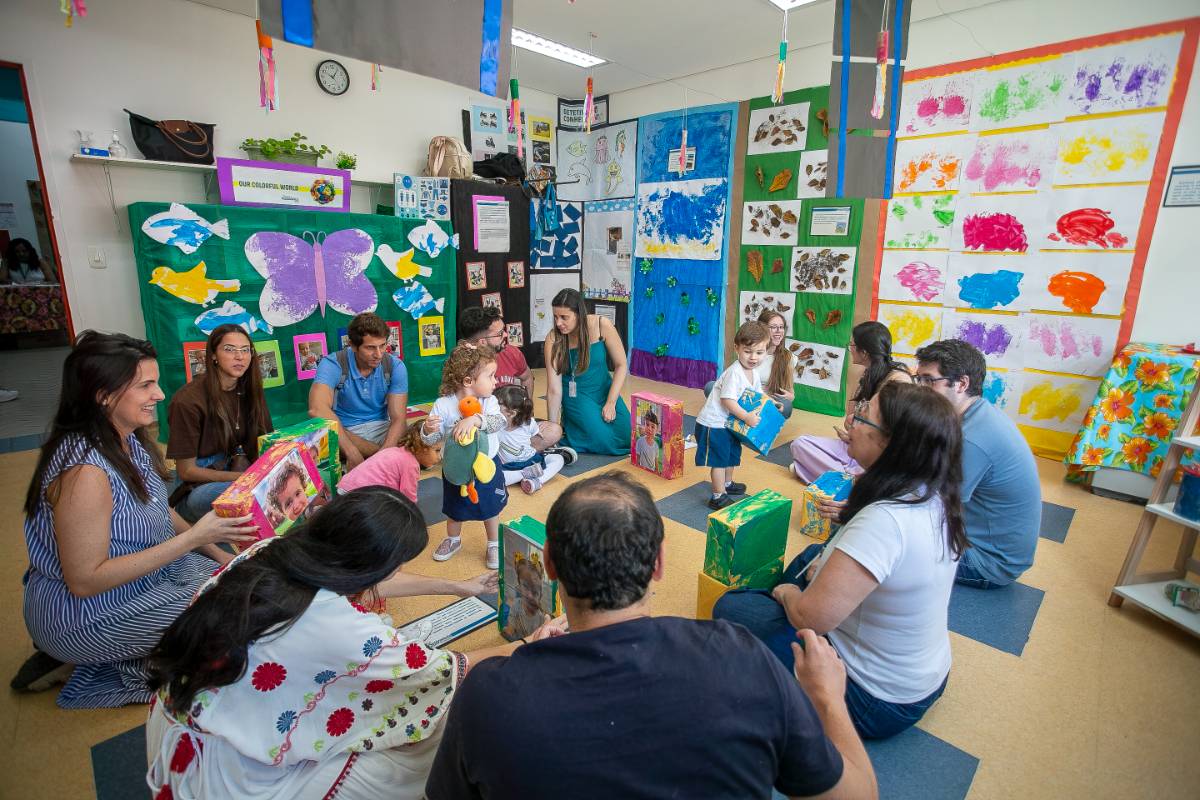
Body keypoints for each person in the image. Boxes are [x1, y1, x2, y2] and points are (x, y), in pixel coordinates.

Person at [425, 472, 878, 799]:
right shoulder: (742, 657)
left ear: (549, 567)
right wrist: (827, 699)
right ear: (660, 563)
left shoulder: (486, 694)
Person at [145, 488, 563, 800]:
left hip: (181, 712)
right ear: (369, 565)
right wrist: (529, 642)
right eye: (397, 562)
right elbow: (442, 671)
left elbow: (373, 581)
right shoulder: (339, 628)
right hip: (224, 774)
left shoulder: (275, 549)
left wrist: (456, 585)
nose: (398, 570)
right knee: (435, 731)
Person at [12, 331, 258, 707]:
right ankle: (90, 662)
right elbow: (85, 580)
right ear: (104, 395)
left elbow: (163, 510)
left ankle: (133, 649)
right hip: (89, 611)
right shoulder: (84, 471)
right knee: (234, 631)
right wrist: (194, 540)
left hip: (148, 578)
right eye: (146, 385)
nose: (159, 395)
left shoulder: (128, 438)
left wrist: (222, 556)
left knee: (249, 590)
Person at [715, 382, 967, 740]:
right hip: (925, 678)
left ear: (890, 443)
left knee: (732, 609)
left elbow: (810, 618)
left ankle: (772, 622)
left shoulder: (885, 521)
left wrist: (788, 593)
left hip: (876, 701)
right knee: (809, 556)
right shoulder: (934, 493)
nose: (851, 420)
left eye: (863, 417)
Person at [915, 339, 1042, 588]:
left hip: (987, 562)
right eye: (918, 379)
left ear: (961, 384)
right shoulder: (975, 415)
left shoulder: (972, 439)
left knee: (883, 540)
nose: (920, 389)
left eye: (929, 381)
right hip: (975, 539)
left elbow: (926, 504)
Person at [166, 324, 273, 523]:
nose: (239, 357)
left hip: (238, 466)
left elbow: (264, 443)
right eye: (229, 349)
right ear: (213, 355)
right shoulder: (187, 401)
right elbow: (186, 471)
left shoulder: (250, 389)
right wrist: (245, 478)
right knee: (220, 495)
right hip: (199, 485)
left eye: (245, 350)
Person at [789, 321, 911, 483]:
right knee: (800, 444)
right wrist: (852, 433)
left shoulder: (898, 380)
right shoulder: (865, 375)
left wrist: (857, 431)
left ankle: (846, 478)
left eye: (852, 345)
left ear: (864, 352)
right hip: (856, 444)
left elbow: (894, 433)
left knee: (865, 467)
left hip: (880, 453)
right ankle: (848, 478)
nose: (850, 349)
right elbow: (850, 419)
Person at [421, 343, 507, 568]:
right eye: (491, 376)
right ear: (469, 381)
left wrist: (476, 419)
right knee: (454, 508)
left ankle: (493, 544)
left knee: (490, 507)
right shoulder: (443, 404)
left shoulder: (488, 401)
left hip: (486, 467)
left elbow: (499, 422)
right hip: (456, 469)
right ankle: (453, 540)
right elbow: (431, 441)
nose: (495, 381)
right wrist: (428, 430)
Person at [458, 305, 573, 462]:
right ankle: (518, 456)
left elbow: (527, 378)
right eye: (499, 334)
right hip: (484, 429)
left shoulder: (511, 353)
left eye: (503, 329)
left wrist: (526, 409)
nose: (506, 334)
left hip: (513, 427)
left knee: (554, 430)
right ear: (483, 342)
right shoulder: (462, 364)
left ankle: (512, 456)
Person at [309, 312, 409, 470]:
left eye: (382, 345)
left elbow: (398, 418)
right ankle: (382, 459)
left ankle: (373, 459)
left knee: (418, 435)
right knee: (320, 435)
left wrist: (384, 453)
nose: (378, 354)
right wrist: (351, 451)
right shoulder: (333, 364)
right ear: (353, 345)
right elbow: (317, 409)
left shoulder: (394, 365)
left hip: (382, 429)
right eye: (370, 347)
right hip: (345, 432)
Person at [543, 288, 631, 455]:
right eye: (555, 317)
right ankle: (570, 430)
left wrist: (611, 402)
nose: (558, 323)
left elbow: (621, 365)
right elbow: (554, 389)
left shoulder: (601, 324)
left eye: (564, 317)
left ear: (579, 314)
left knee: (628, 436)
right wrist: (552, 430)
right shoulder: (553, 339)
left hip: (604, 390)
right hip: (577, 395)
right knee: (603, 439)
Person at [695, 321, 770, 510]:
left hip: (729, 423)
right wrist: (746, 417)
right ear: (737, 348)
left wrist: (771, 402)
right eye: (748, 351)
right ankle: (717, 495)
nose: (753, 357)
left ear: (766, 351)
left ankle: (728, 484)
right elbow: (727, 400)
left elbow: (758, 395)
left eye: (759, 353)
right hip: (714, 423)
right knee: (719, 460)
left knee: (731, 455)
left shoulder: (753, 371)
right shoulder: (735, 373)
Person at [495, 385, 565, 494]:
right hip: (509, 467)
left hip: (531, 460)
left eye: (497, 404)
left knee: (558, 459)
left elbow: (536, 431)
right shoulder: (496, 426)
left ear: (511, 413)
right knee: (494, 478)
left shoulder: (529, 423)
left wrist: (538, 432)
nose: (493, 406)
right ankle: (524, 475)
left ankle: (537, 481)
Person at [757, 309, 796, 418]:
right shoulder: (751, 352)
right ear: (762, 330)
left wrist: (791, 396)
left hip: (769, 402)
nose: (779, 331)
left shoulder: (788, 357)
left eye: (781, 327)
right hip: (748, 396)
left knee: (786, 406)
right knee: (711, 387)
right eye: (773, 327)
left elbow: (790, 390)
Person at [634, 407, 660, 472]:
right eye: (647, 425)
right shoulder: (640, 441)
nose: (649, 428)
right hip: (642, 471)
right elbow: (637, 458)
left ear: (657, 430)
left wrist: (657, 470)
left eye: (653, 427)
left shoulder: (656, 446)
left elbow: (655, 460)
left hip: (652, 472)